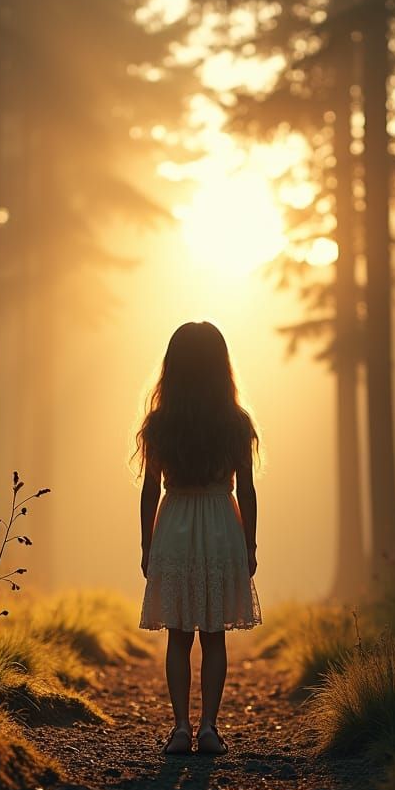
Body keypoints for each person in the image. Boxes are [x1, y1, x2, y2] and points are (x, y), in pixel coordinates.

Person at [135, 321, 262, 756]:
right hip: (220, 525)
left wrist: (146, 544)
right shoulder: (235, 423)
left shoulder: (160, 423)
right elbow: (246, 488)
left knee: (178, 634)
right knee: (213, 635)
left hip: (174, 524)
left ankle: (180, 729)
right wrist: (250, 544)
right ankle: (209, 728)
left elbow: (150, 489)